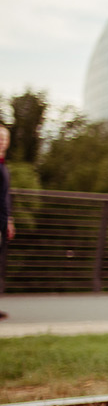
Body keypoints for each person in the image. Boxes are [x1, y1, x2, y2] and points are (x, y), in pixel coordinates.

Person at [0, 125, 12, 319]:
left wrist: (9, 220)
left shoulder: (2, 165)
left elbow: (4, 196)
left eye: (4, 138)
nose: (2, 140)